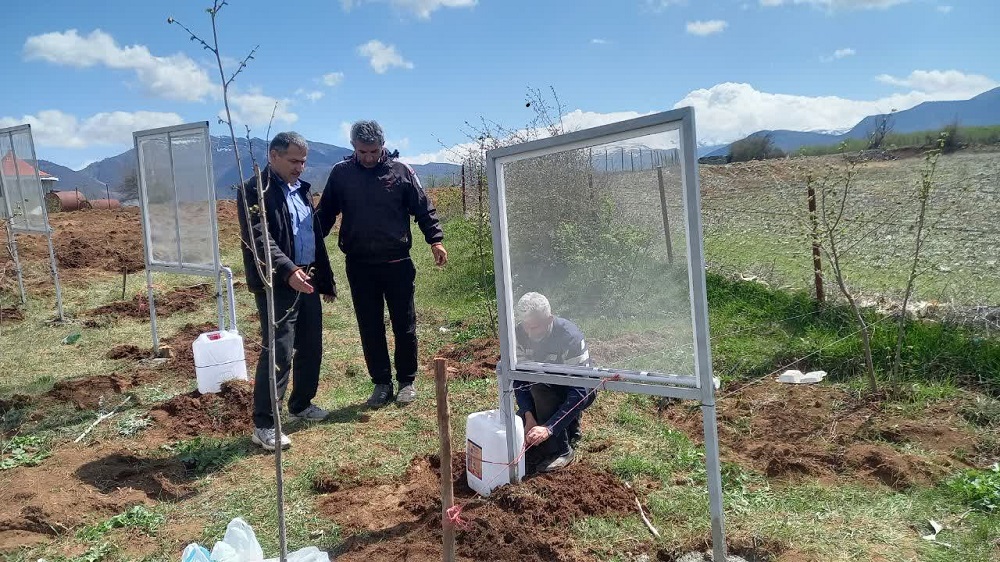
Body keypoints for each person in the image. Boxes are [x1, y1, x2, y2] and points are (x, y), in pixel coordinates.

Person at [316, 120, 447, 408]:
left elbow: (423, 207)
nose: (368, 157)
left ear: (383, 146)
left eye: (373, 151)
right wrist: (307, 243)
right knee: (370, 326)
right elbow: (324, 214)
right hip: (359, 265)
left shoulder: (401, 172)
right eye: (362, 152)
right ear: (353, 147)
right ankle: (381, 383)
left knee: (404, 324)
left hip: (397, 263)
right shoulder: (341, 174)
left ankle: (407, 381)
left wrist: (435, 240)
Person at [236, 131, 336, 451]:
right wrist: (287, 270)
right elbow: (258, 236)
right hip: (277, 282)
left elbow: (313, 236)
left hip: (307, 277)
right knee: (278, 350)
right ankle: (265, 424)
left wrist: (325, 280)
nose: (299, 167)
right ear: (273, 156)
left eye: (303, 162)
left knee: (310, 345)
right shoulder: (254, 190)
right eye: (294, 161)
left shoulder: (302, 190)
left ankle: (301, 403)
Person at [512, 292, 595, 474]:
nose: (529, 333)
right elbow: (519, 378)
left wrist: (549, 429)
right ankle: (568, 425)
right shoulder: (518, 334)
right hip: (542, 385)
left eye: (535, 327)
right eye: (526, 326)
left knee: (541, 393)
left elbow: (580, 391)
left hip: (576, 390)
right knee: (521, 421)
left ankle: (561, 451)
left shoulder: (569, 337)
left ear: (549, 320)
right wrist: (528, 414)